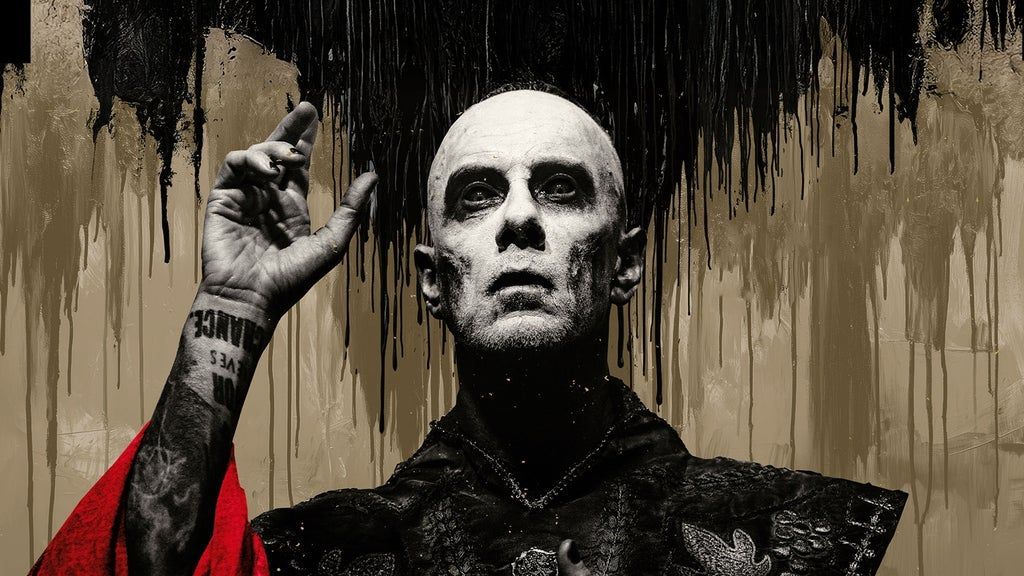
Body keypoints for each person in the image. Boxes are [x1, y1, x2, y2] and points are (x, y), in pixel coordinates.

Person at [31, 88, 906, 576]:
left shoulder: (799, 532)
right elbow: (141, 567)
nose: (519, 219)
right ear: (432, 278)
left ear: (625, 263)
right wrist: (232, 308)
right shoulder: (327, 553)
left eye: (560, 188)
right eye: (479, 195)